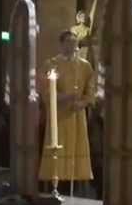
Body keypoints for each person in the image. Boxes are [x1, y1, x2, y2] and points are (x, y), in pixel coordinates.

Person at [38, 30, 96, 190]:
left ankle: (76, 185)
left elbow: (90, 92)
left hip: (77, 117)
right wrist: (65, 97)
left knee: (77, 149)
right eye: (69, 42)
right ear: (61, 44)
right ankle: (55, 184)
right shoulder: (50, 64)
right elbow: (45, 91)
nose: (72, 46)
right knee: (56, 145)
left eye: (74, 43)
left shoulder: (85, 66)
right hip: (58, 116)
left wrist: (83, 103)